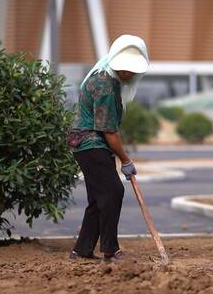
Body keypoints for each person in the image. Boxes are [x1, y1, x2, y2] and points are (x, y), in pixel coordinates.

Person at [66, 35, 149, 262]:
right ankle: (110, 250)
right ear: (114, 63)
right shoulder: (104, 86)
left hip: (90, 145)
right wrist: (126, 160)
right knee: (114, 191)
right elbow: (109, 132)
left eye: (131, 70)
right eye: (123, 69)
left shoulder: (107, 80)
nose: (126, 73)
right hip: (90, 144)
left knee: (99, 199)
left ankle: (81, 251)